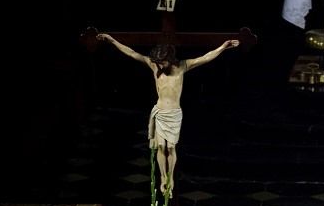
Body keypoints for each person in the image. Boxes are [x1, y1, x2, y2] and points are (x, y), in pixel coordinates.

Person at [96, 33, 240, 196]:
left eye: (161, 61)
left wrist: (223, 47)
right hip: (160, 111)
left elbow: (205, 58)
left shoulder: (182, 66)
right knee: (161, 148)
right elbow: (132, 53)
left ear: (169, 58)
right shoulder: (154, 66)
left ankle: (170, 178)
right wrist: (113, 41)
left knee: (171, 148)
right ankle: (163, 177)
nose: (159, 65)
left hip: (174, 114)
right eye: (157, 62)